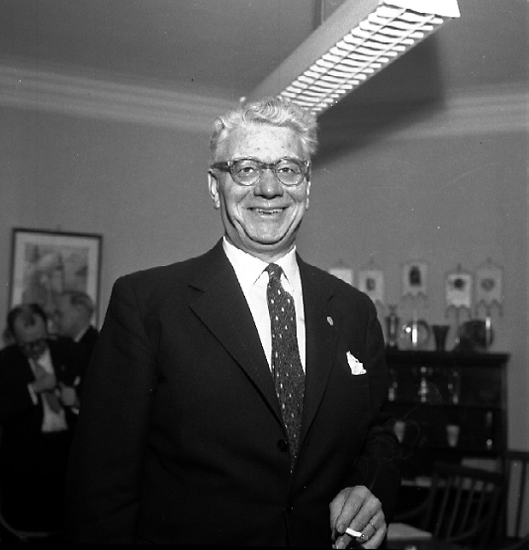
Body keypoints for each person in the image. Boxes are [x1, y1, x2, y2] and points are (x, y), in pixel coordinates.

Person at [64, 96, 400, 547]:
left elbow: (377, 433)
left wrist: (371, 491)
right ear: (214, 187)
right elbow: (99, 489)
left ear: (307, 186)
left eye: (287, 169)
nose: (269, 188)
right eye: (246, 169)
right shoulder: (147, 305)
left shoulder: (354, 310)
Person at [0, 303, 82, 533]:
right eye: (26, 344)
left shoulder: (70, 351)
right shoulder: (2, 362)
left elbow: (98, 396)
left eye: (40, 341)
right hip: (24, 465)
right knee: (26, 527)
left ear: (47, 330)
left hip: (66, 457)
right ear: (13, 337)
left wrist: (76, 401)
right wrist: (32, 389)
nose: (35, 348)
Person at [53, 290, 98, 370]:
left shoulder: (95, 348)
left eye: (60, 314)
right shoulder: (63, 346)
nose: (55, 320)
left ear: (79, 310)